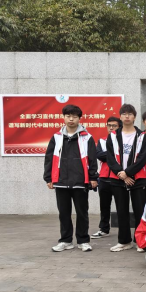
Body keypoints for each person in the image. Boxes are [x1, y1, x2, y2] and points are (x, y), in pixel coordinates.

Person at [44, 104, 98, 252]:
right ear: (64, 117)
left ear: (79, 119)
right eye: (68, 116)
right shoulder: (56, 137)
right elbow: (49, 158)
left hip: (80, 181)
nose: (71, 119)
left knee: (82, 213)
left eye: (74, 116)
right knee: (64, 213)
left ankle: (83, 240)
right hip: (61, 181)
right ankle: (65, 241)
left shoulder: (87, 137)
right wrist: (48, 178)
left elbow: (92, 159)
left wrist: (93, 177)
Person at [106, 103, 146, 252]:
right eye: (124, 114)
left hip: (137, 178)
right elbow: (110, 158)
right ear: (120, 117)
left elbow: (142, 158)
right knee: (121, 210)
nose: (127, 116)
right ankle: (124, 241)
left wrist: (128, 173)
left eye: (130, 114)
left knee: (139, 210)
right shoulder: (113, 136)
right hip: (118, 178)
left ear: (134, 117)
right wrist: (122, 174)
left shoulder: (142, 136)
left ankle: (140, 241)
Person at [91, 116, 122, 239]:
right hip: (104, 178)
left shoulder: (123, 140)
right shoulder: (102, 140)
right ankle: (104, 229)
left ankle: (123, 231)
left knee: (121, 206)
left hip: (119, 178)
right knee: (104, 206)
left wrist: (107, 155)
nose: (111, 128)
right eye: (109, 125)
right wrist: (113, 154)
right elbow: (99, 155)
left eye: (114, 126)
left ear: (119, 127)